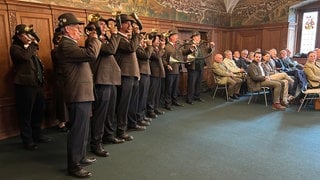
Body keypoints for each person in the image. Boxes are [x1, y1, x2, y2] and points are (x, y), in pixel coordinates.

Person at [55, 13, 101, 178]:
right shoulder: (66, 45)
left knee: (83, 129)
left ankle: (80, 157)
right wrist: (94, 37)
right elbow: (91, 55)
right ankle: (74, 166)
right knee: (77, 130)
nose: (81, 32)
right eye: (77, 28)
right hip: (78, 94)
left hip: (83, 93)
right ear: (67, 29)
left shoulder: (71, 44)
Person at [10, 24, 51, 151]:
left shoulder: (29, 48)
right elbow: (25, 57)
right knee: (25, 114)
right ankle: (27, 140)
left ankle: (37, 135)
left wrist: (33, 41)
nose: (27, 37)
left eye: (28, 35)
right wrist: (32, 44)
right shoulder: (15, 48)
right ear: (18, 36)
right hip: (24, 86)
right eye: (25, 35)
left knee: (39, 110)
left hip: (36, 85)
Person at [89, 15, 125, 159]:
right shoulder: (94, 40)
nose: (105, 27)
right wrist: (115, 34)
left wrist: (111, 36)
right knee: (100, 114)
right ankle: (96, 143)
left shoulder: (105, 39)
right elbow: (111, 50)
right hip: (102, 80)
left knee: (110, 111)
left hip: (110, 80)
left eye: (105, 25)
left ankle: (108, 135)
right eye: (102, 25)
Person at [115, 14, 145, 140]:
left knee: (132, 103)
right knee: (123, 105)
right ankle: (121, 130)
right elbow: (131, 48)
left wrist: (137, 73)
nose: (130, 26)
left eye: (130, 23)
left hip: (132, 74)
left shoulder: (127, 38)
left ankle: (131, 123)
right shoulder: (118, 38)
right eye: (127, 23)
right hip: (125, 75)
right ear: (120, 25)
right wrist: (137, 34)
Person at [162, 29, 192, 110]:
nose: (177, 37)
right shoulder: (166, 46)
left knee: (175, 87)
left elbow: (184, 52)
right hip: (170, 70)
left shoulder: (178, 46)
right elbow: (163, 58)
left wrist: (190, 50)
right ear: (171, 37)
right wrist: (167, 65)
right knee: (169, 87)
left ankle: (174, 101)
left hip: (177, 70)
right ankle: (167, 103)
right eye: (175, 36)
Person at [185, 31, 215, 104]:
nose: (199, 38)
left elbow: (208, 51)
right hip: (193, 66)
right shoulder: (188, 44)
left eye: (199, 36)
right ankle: (189, 98)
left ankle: (197, 96)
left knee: (199, 82)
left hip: (201, 66)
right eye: (197, 36)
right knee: (191, 83)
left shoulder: (202, 44)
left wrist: (211, 46)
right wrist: (192, 47)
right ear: (194, 37)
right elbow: (185, 53)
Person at [51, 29, 68, 132]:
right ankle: (62, 123)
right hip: (60, 78)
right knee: (62, 102)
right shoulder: (55, 51)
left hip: (67, 77)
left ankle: (67, 121)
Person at [147, 32, 166, 117]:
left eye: (159, 40)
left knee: (157, 93)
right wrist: (162, 48)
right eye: (157, 40)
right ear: (153, 41)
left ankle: (155, 108)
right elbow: (157, 57)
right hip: (153, 74)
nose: (159, 42)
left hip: (159, 74)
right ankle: (150, 110)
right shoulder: (151, 49)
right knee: (152, 93)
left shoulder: (157, 49)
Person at [136, 33, 154, 123]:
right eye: (143, 39)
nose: (144, 40)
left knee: (145, 96)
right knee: (141, 96)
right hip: (142, 73)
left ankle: (142, 116)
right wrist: (150, 46)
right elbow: (146, 56)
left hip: (146, 73)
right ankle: (139, 117)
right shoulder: (137, 48)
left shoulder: (142, 47)